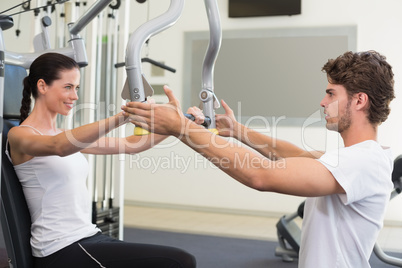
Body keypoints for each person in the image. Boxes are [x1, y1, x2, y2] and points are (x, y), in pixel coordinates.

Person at [122, 50, 396, 267]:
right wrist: (236, 130)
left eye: (331, 93)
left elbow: (261, 175)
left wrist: (181, 128)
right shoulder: (356, 157)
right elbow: (294, 155)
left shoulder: (362, 161)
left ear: (359, 101)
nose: (323, 102)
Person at [6, 52, 197, 268]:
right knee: (179, 261)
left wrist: (181, 124)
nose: (75, 96)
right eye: (68, 87)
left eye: (76, 88)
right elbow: (58, 147)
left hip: (88, 236)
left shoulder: (63, 134)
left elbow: (131, 145)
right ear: (42, 86)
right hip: (59, 248)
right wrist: (123, 116)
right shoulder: (20, 136)